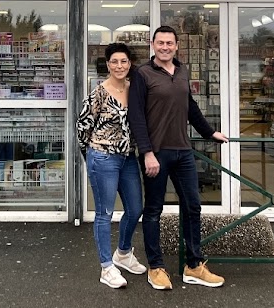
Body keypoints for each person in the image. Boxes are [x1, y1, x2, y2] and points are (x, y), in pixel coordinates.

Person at [128, 25, 229, 291]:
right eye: (160, 43)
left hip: (183, 151)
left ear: (176, 46)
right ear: (153, 45)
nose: (164, 47)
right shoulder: (142, 73)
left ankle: (194, 265)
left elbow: (190, 107)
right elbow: (136, 116)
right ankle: (156, 267)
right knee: (153, 211)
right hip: (156, 152)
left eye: (169, 43)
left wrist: (210, 132)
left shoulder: (183, 71)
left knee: (193, 206)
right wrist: (147, 152)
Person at [77, 42, 146, 289]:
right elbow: (82, 127)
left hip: (128, 157)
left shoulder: (135, 89)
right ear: (108, 65)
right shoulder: (98, 93)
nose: (119, 66)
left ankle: (124, 253)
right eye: (114, 61)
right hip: (103, 157)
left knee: (135, 208)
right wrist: (92, 156)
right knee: (104, 213)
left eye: (124, 61)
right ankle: (107, 267)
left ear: (130, 64)